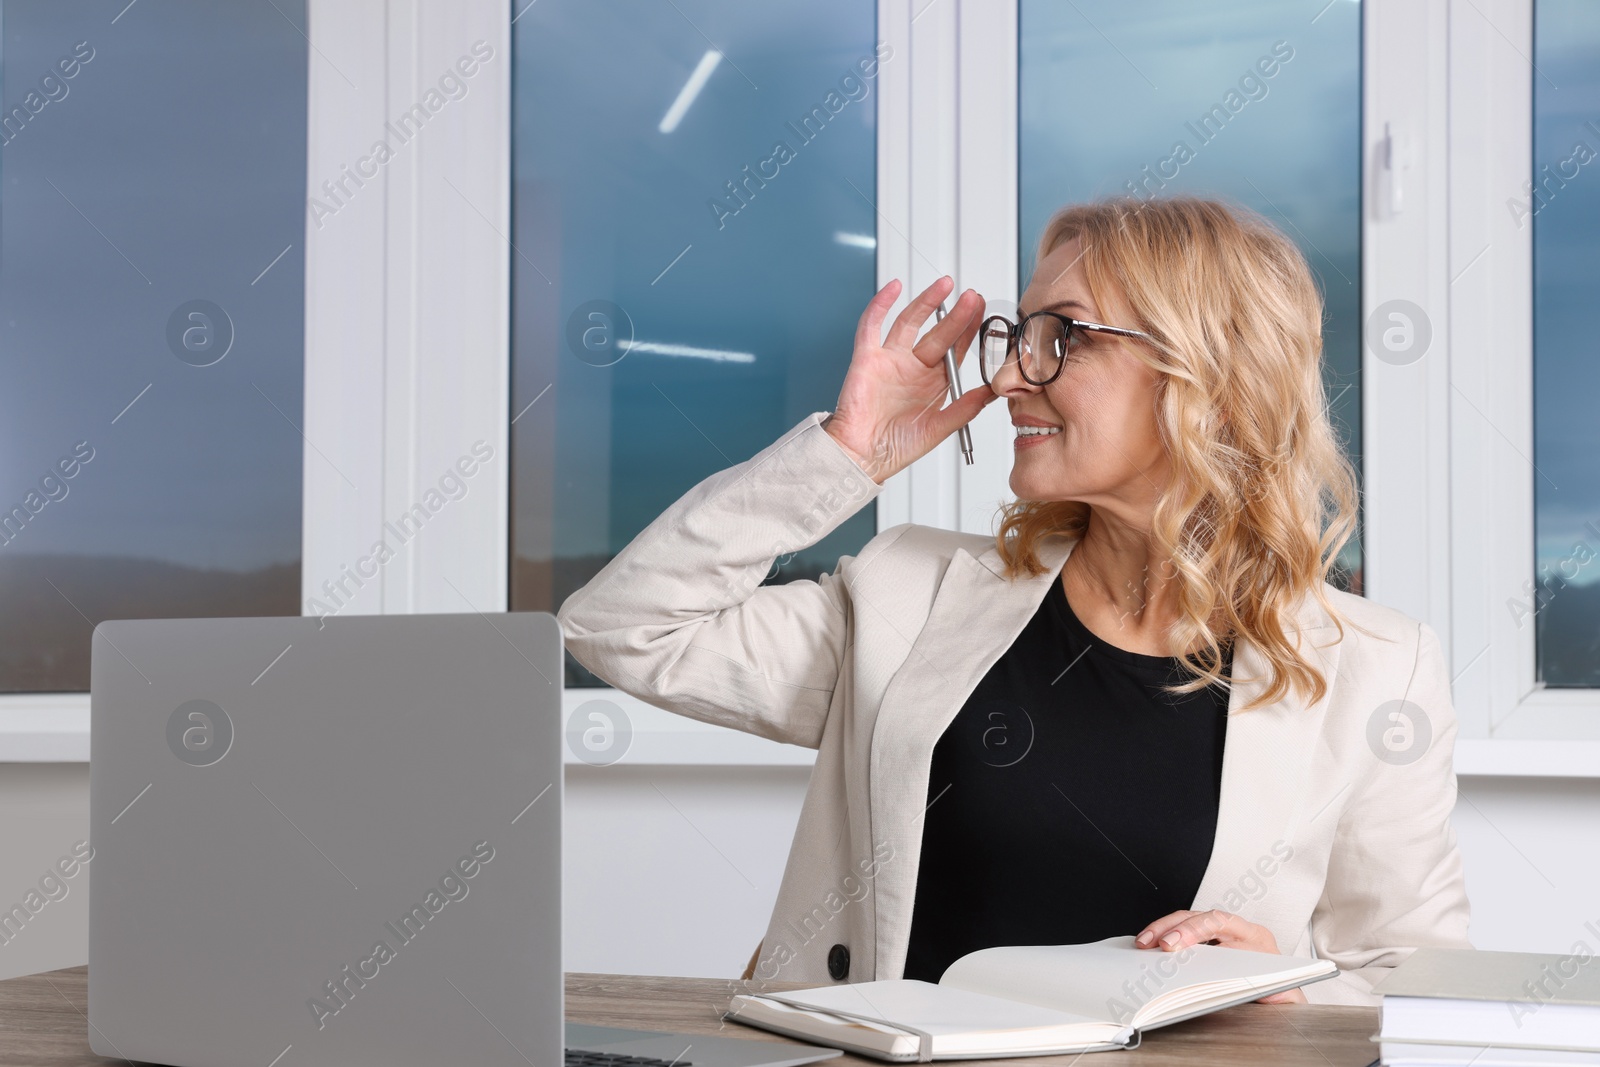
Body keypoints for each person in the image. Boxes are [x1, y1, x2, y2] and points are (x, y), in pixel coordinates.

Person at [557, 194, 1471, 1005]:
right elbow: (623, 625)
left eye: (1061, 337)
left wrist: (1288, 994)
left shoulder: (1379, 670)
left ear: (1209, 378)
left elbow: (1419, 982)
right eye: (1018, 332)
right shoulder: (906, 595)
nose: (1006, 377)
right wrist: (848, 453)